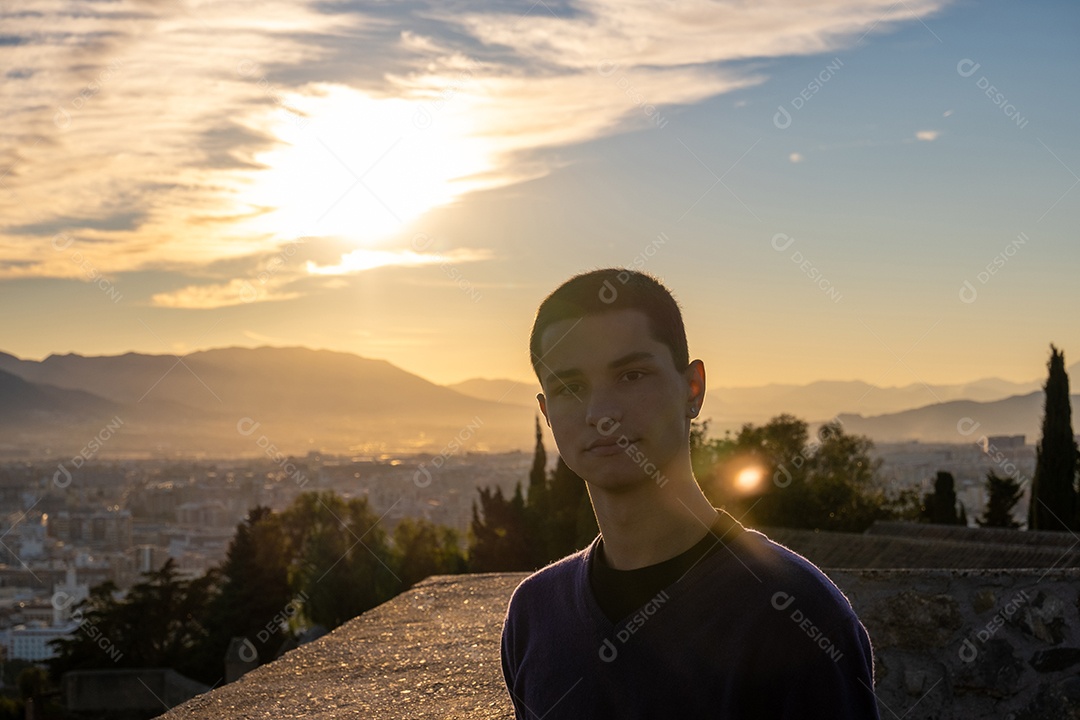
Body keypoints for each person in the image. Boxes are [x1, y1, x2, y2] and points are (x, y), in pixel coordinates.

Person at [500, 268, 880, 719]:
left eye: (632, 375)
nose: (600, 413)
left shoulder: (798, 614)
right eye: (570, 387)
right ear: (546, 411)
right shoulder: (534, 616)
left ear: (692, 389)